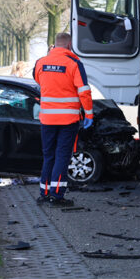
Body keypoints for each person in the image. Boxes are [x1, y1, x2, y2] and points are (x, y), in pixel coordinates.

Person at [33, 32, 93, 207]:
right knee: (62, 156)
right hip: (68, 119)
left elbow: (38, 81)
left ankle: (44, 193)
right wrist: (89, 114)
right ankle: (57, 195)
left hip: (47, 119)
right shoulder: (74, 63)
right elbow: (84, 91)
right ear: (68, 46)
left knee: (48, 155)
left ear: (55, 45)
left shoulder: (40, 63)